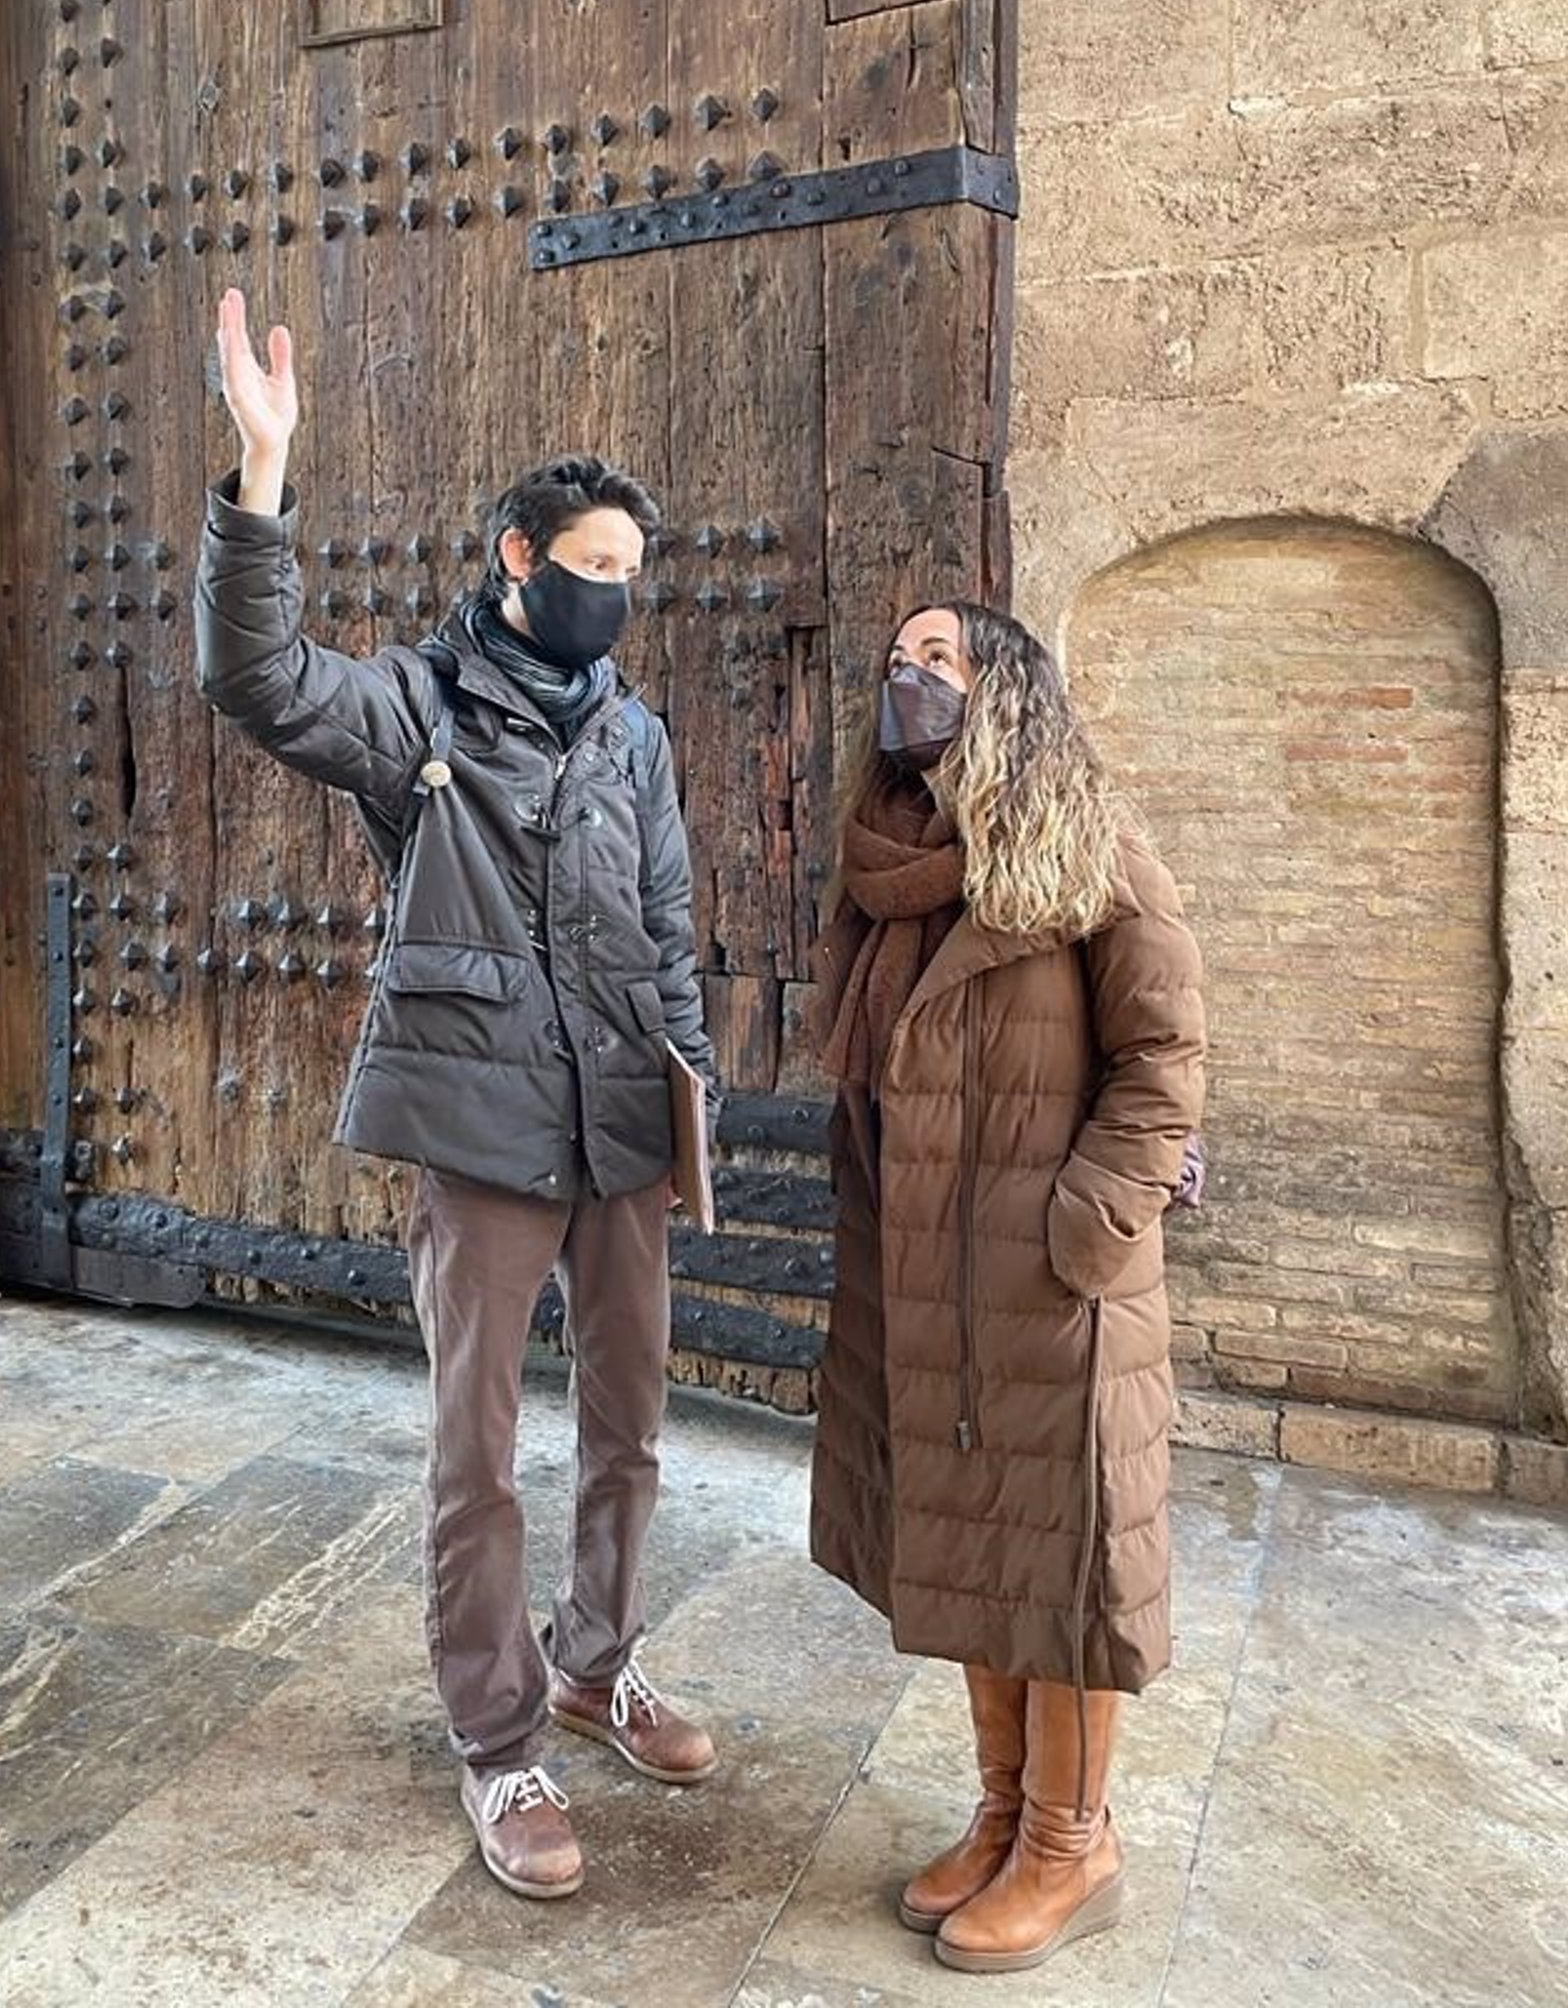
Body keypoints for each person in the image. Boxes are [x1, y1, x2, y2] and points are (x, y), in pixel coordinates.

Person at [194, 288, 720, 1903]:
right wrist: (262, 478)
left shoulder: (632, 740)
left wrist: (687, 1088)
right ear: (518, 559)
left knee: (630, 1421)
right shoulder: (419, 712)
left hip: (624, 1124)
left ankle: (595, 1661)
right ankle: (501, 1747)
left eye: (633, 578)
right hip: (485, 1135)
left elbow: (671, 926)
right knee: (477, 1453)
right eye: (592, 572)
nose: (614, 602)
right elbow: (264, 683)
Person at [809, 601, 1206, 1977]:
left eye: (939, 661)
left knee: (1065, 1561)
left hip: (1050, 1284)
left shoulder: (1088, 840)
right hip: (930, 1276)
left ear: (1008, 692)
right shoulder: (896, 857)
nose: (905, 682)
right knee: (979, 1542)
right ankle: (1002, 1815)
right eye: (898, 662)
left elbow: (1165, 1061)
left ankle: (1072, 1844)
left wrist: (1085, 1229)